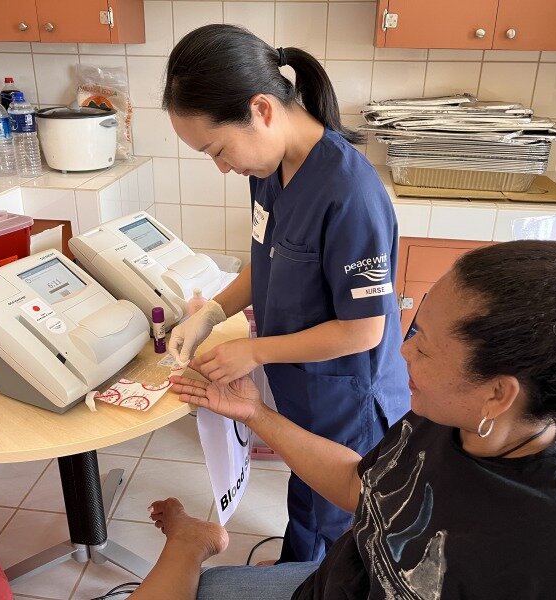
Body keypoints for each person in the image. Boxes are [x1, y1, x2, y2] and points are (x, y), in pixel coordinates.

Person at [130, 240, 556, 599]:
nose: (403, 354)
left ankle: (191, 543)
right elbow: (366, 488)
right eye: (414, 329)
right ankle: (194, 542)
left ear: (498, 393)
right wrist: (255, 413)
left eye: (423, 346)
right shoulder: (452, 419)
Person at [162, 23, 411, 563]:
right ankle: (295, 570)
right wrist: (211, 313)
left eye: (218, 149)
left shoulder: (351, 195)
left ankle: (308, 578)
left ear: (262, 110)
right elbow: (268, 258)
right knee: (307, 498)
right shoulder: (270, 168)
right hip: (303, 387)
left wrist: (255, 351)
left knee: (337, 523)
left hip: (348, 395)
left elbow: (364, 328)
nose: (223, 166)